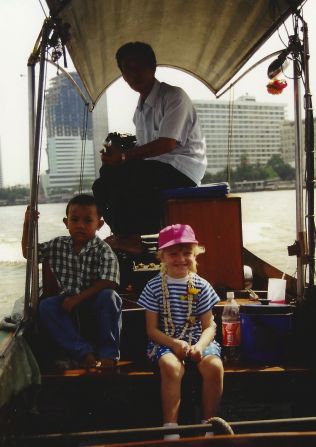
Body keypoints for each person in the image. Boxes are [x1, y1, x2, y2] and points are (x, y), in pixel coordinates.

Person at [92, 41, 207, 253]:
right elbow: (143, 151)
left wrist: (124, 157)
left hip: (183, 168)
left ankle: (133, 238)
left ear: (152, 67)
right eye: (127, 69)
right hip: (156, 168)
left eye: (139, 67)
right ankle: (120, 233)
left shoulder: (174, 96)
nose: (133, 75)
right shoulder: (140, 110)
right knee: (102, 181)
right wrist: (115, 157)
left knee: (131, 176)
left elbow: (167, 143)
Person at [137, 224, 223, 439]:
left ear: (195, 255)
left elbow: (209, 326)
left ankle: (209, 426)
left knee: (214, 366)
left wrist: (200, 346)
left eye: (187, 253)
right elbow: (151, 330)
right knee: (170, 366)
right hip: (165, 340)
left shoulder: (201, 286)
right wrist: (174, 344)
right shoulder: (154, 287)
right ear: (162, 257)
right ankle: (171, 429)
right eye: (173, 254)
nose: (181, 259)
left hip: (198, 340)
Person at [22, 194, 121, 369]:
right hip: (67, 302)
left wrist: (78, 298)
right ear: (66, 223)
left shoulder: (103, 250)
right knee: (46, 306)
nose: (80, 225)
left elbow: (109, 282)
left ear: (99, 224)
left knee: (110, 296)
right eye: (74, 220)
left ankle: (109, 354)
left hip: (95, 301)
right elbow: (29, 253)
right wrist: (28, 223)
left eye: (87, 221)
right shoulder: (58, 244)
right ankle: (83, 352)